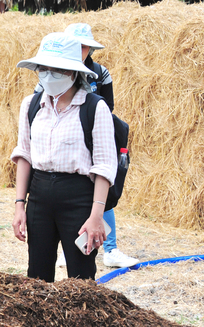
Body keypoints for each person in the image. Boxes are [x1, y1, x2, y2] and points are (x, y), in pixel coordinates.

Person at [11, 32, 117, 282]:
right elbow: (24, 155)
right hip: (40, 195)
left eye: (57, 70)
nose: (49, 75)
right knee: (37, 275)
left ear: (73, 72)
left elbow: (104, 166)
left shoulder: (94, 107)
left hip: (79, 198)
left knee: (81, 278)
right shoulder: (31, 105)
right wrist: (19, 205)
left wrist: (96, 216)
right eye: (43, 69)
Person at [53, 23, 139, 268]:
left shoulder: (101, 73)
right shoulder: (55, 71)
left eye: (85, 46)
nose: (82, 50)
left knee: (104, 192)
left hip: (95, 140)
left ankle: (110, 249)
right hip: (67, 142)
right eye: (77, 46)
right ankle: (67, 247)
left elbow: (107, 108)